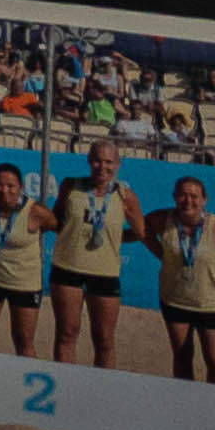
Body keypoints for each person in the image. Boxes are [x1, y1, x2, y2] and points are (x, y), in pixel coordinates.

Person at [150, 172, 215, 384]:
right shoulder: (163, 220)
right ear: (174, 197)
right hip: (176, 301)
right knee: (182, 358)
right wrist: (158, 251)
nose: (188, 201)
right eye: (183, 195)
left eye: (194, 196)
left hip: (211, 304)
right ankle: (185, 402)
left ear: (204, 200)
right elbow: (140, 229)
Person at [54, 156, 134, 371]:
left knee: (104, 340)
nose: (103, 167)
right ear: (89, 161)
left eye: (109, 162)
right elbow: (56, 219)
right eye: (98, 161)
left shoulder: (125, 195)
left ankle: (103, 388)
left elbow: (141, 231)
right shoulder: (70, 186)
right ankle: (65, 384)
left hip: (105, 273)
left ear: (117, 164)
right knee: (66, 334)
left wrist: (113, 237)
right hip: (68, 268)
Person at [0, 154, 52, 353]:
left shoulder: (36, 211)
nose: (4, 190)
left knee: (23, 341)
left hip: (23, 283)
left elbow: (55, 225)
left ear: (21, 188)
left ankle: (27, 375)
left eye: (11, 186)